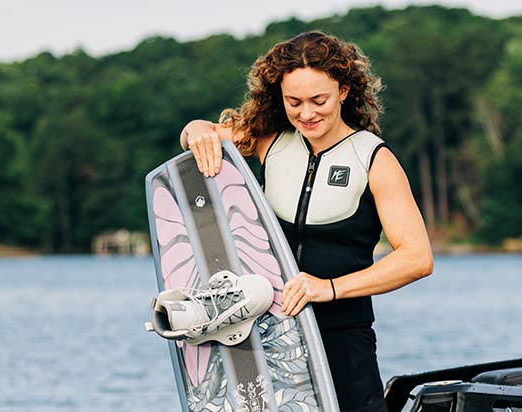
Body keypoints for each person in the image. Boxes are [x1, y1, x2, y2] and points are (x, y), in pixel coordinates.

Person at [180, 31, 433, 412]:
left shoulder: (374, 160)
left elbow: (416, 258)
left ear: (344, 91)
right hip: (269, 334)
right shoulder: (267, 140)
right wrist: (196, 129)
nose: (307, 114)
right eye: (293, 102)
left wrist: (328, 288)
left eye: (319, 100)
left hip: (344, 338)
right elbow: (199, 136)